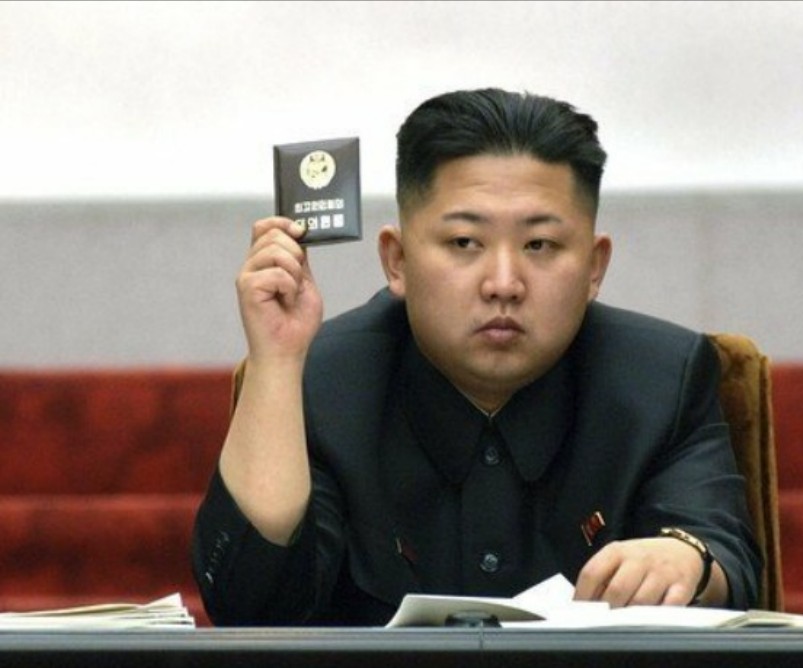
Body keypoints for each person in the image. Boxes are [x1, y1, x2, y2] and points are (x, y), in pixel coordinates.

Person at [192, 88, 762, 626]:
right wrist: (277, 365)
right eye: (465, 243)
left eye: (539, 245)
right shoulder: (323, 382)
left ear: (594, 267)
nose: (503, 283)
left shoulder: (662, 379)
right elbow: (250, 606)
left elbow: (723, 553)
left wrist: (686, 560)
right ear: (397, 261)